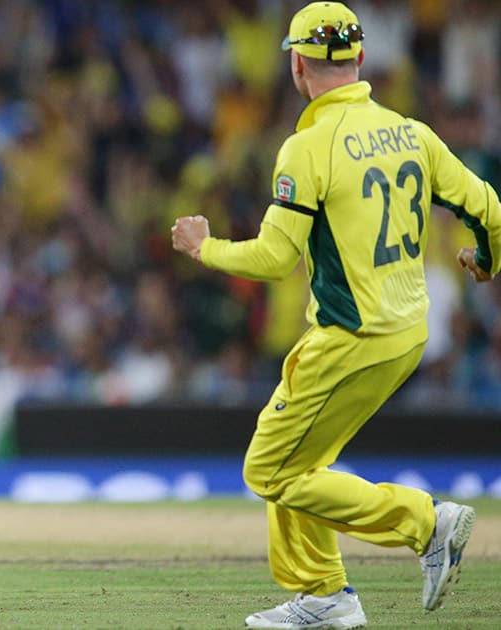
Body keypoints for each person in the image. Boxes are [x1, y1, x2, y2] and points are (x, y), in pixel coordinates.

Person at [171, 2, 500, 628]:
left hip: (352, 336)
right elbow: (491, 209)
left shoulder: (307, 146)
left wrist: (203, 247)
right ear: (361, 59)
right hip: (408, 332)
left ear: (298, 65)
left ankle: (428, 523)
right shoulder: (414, 132)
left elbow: (274, 259)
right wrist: (487, 262)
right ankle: (325, 596)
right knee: (300, 461)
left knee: (267, 468)